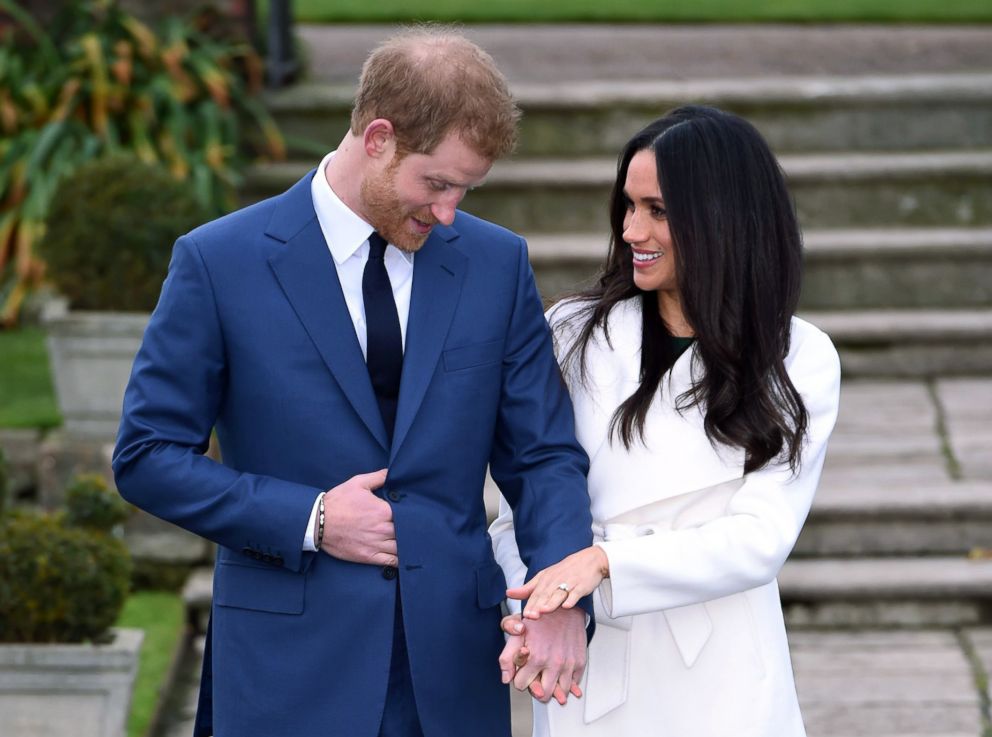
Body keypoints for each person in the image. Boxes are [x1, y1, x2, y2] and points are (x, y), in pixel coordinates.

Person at [113, 27, 594, 737]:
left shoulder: (497, 265)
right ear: (377, 137)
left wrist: (559, 594)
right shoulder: (220, 262)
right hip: (286, 671)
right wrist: (310, 518)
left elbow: (543, 455)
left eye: (466, 188)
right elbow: (145, 455)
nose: (449, 212)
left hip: (451, 674)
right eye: (435, 182)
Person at [490, 105, 842, 736]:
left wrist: (600, 565)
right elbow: (526, 500)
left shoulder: (798, 356)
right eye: (627, 206)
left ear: (721, 219)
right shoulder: (571, 333)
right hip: (588, 663)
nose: (630, 230)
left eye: (656, 210)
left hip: (722, 673)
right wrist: (540, 604)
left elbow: (760, 539)